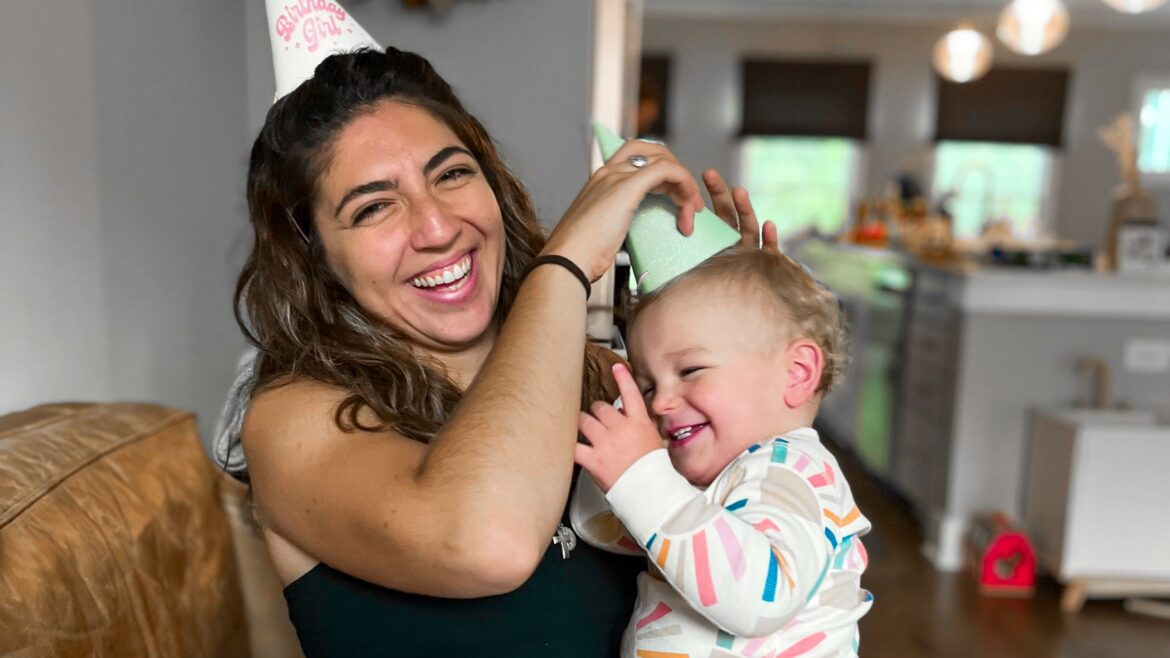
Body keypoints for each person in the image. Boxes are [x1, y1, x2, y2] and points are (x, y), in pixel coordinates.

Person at [222, 44, 775, 657]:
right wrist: (564, 264)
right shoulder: (293, 421)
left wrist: (740, 352)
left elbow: (763, 540)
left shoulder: (602, 377)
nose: (437, 228)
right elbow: (490, 542)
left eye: (452, 174)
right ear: (316, 258)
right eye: (374, 206)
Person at [571, 246, 873, 657]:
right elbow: (601, 526)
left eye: (689, 371)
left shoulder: (792, 471)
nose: (660, 403)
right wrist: (626, 447)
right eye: (648, 387)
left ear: (797, 373)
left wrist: (641, 477)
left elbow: (761, 597)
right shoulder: (700, 480)